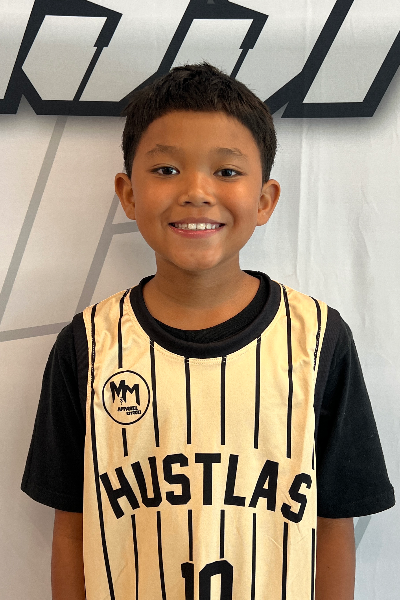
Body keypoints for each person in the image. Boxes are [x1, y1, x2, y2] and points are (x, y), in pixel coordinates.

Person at [22, 62, 395, 600]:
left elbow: (335, 526)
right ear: (129, 194)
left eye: (226, 171)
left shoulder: (317, 340)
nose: (196, 191)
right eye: (167, 169)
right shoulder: (88, 345)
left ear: (264, 200)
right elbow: (72, 528)